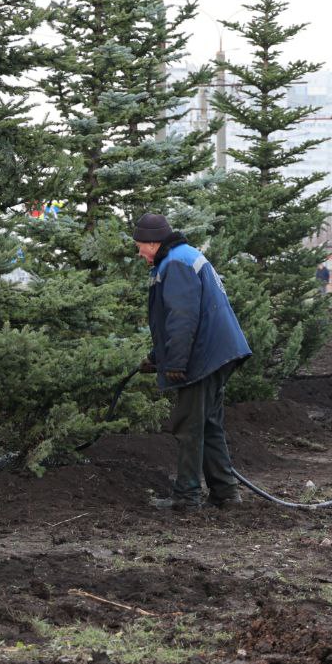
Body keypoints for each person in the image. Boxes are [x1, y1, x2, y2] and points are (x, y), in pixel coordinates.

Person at [133, 212, 252, 511]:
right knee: (209, 424)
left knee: (189, 426)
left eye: (140, 246)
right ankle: (226, 493)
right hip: (219, 352)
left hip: (204, 356)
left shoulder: (174, 263)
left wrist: (175, 362)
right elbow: (178, 317)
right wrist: (157, 358)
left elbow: (183, 318)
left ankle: (186, 498)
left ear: (153, 242)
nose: (138, 252)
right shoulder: (182, 256)